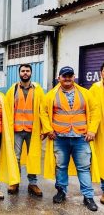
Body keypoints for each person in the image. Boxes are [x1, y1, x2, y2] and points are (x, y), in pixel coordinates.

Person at [41, 66, 100, 212]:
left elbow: (95, 110)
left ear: (74, 77)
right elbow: (43, 112)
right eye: (64, 76)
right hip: (60, 138)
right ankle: (61, 191)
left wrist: (92, 130)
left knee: (84, 168)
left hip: (81, 138)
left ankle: (88, 197)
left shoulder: (85, 93)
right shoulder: (50, 95)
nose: (67, 79)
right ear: (58, 78)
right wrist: (48, 130)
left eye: (70, 76)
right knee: (61, 167)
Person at [5, 64, 44, 196]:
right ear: (19, 73)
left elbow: (43, 111)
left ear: (31, 73)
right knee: (15, 157)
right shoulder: (13, 89)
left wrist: (44, 129)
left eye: (27, 71)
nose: (25, 73)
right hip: (16, 130)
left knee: (33, 156)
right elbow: (7, 109)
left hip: (32, 130)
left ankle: (32, 183)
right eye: (23, 71)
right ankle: (15, 181)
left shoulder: (38, 90)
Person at [89, 62, 104, 205]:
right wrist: (91, 129)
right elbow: (91, 110)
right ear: (101, 73)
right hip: (100, 132)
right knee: (103, 162)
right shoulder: (95, 88)